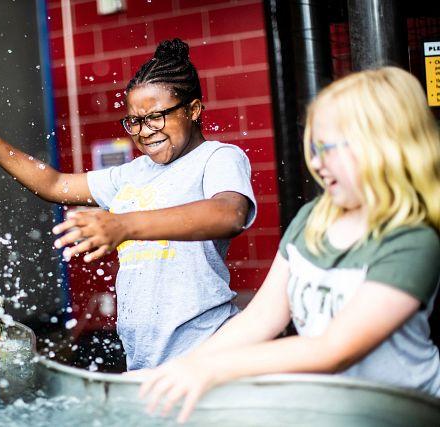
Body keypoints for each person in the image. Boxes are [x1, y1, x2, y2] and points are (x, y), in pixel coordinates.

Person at [136, 66, 440, 423]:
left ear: (383, 146)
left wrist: (212, 370)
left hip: (406, 413)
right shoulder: (315, 217)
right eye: (314, 147)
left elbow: (333, 350)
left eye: (329, 149)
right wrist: (176, 370)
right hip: (337, 412)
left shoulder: (412, 241)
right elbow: (262, 318)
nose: (317, 163)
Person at [0, 38, 257, 370]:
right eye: (134, 121)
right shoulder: (132, 174)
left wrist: (123, 224)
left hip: (206, 352)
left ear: (193, 110)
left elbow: (229, 213)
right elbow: (54, 184)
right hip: (144, 360)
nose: (144, 132)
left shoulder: (217, 158)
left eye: (156, 117)